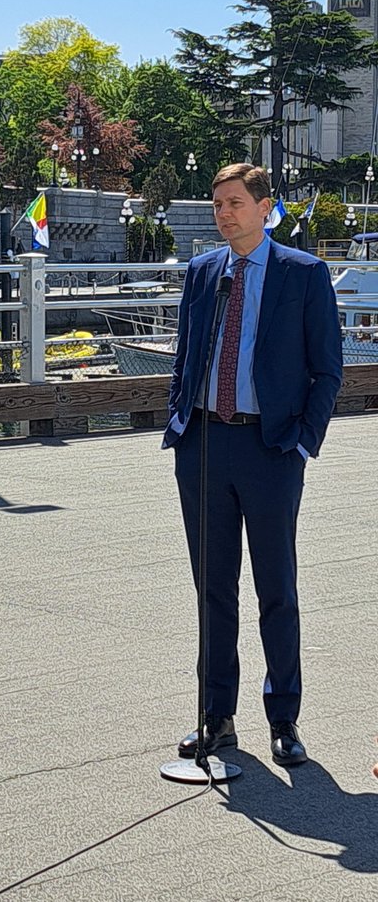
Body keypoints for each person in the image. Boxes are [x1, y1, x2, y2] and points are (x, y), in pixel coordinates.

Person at [163, 162, 342, 767]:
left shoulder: (305, 274)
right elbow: (186, 358)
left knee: (276, 589)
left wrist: (300, 442)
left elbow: (328, 370)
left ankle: (284, 718)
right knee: (212, 587)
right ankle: (216, 717)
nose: (224, 213)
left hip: (270, 451)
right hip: (205, 447)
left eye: (235, 202)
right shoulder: (202, 272)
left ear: (266, 207)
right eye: (217, 204)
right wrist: (180, 423)